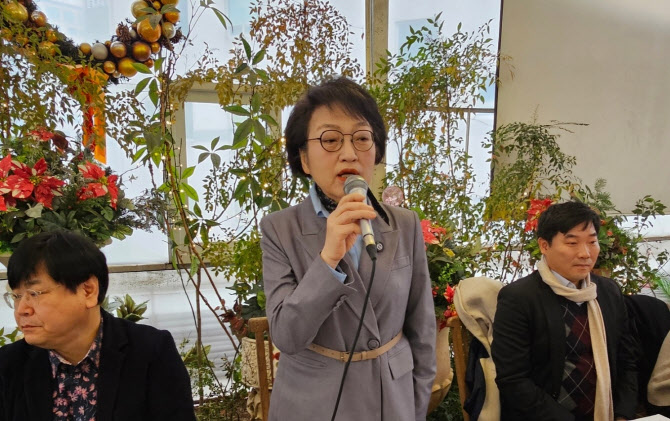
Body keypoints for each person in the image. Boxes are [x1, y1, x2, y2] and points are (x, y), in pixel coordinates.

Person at [260, 77, 436, 421]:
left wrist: (414, 406)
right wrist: (328, 259)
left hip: (392, 400)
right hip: (314, 405)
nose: (349, 153)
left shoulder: (405, 224)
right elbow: (287, 336)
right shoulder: (279, 229)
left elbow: (423, 331)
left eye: (362, 138)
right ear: (304, 159)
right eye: (330, 140)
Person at [0, 231, 196, 421]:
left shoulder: (150, 352)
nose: (22, 310)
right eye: (16, 296)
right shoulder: (9, 365)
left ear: (88, 291)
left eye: (34, 293)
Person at [491, 201, 637, 421]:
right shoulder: (519, 298)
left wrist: (623, 415)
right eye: (572, 243)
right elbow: (513, 379)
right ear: (544, 245)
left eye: (592, 242)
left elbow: (627, 361)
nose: (585, 253)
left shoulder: (608, 292)